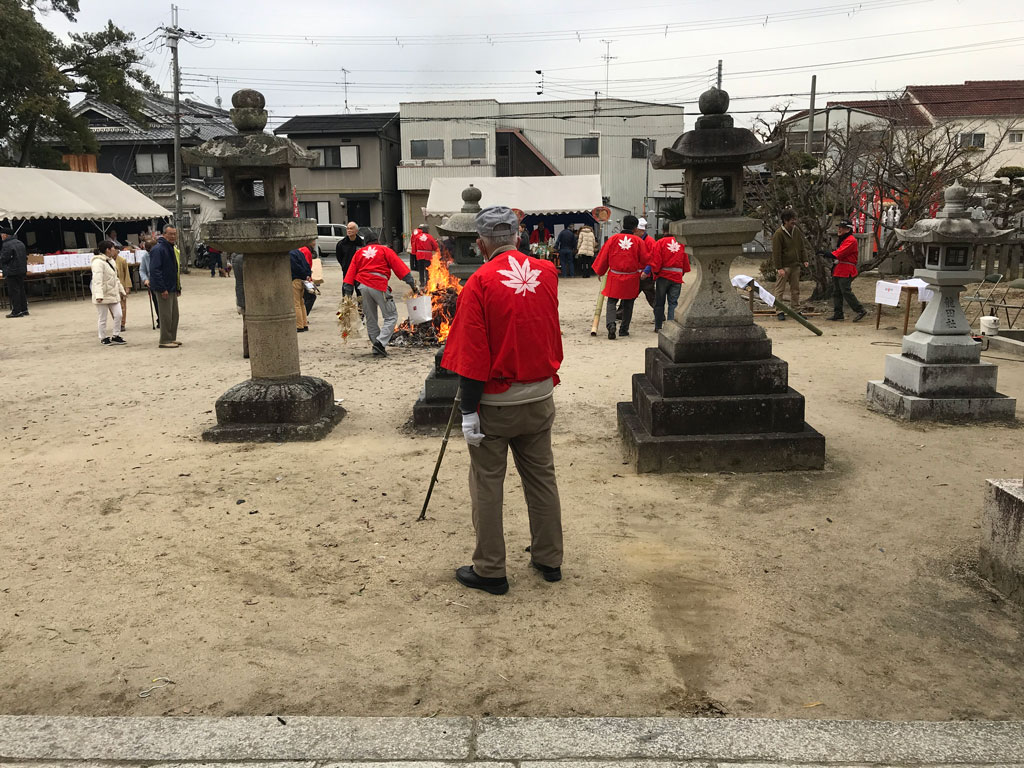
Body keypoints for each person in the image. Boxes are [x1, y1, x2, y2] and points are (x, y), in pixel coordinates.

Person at [441, 205, 564, 596]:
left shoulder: (479, 282)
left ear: (479, 244)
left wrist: (467, 412)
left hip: (495, 402)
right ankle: (549, 557)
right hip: (540, 393)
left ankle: (491, 569)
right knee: (542, 478)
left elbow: (473, 354)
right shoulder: (547, 274)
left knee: (487, 483)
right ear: (518, 235)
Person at [342, 231, 417, 356]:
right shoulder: (385, 250)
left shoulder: (359, 253)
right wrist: (412, 284)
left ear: (365, 242)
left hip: (363, 286)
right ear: (377, 240)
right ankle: (380, 343)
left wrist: (347, 294)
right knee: (391, 316)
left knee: (370, 317)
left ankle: (376, 344)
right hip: (379, 284)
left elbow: (350, 273)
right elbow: (400, 267)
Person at [593, 214, 646, 339]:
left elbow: (604, 256)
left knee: (611, 301)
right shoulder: (638, 241)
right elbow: (645, 259)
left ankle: (611, 325)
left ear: (623, 224)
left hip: (615, 276)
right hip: (631, 277)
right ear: (635, 228)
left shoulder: (613, 239)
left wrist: (600, 271)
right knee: (628, 303)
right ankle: (624, 329)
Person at [645, 222, 690, 332]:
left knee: (659, 302)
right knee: (673, 302)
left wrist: (655, 273)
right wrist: (681, 273)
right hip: (677, 276)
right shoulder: (681, 244)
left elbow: (656, 261)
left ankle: (658, 326)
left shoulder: (659, 243)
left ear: (662, 230)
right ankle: (671, 326)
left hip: (663, 276)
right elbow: (685, 262)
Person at [771, 209, 811, 320]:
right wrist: (779, 267)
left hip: (795, 265)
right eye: (792, 219)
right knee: (780, 289)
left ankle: (796, 309)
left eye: (795, 219)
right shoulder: (778, 234)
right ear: (785, 220)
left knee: (795, 289)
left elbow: (801, 246)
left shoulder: (796, 231)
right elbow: (776, 252)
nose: (794, 221)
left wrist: (804, 259)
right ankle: (779, 310)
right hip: (784, 266)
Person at [828, 219, 867, 322]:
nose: (839, 229)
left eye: (842, 227)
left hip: (846, 269)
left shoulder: (850, 240)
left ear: (847, 229)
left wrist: (828, 254)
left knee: (845, 290)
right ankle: (838, 313)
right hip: (839, 268)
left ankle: (860, 310)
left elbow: (840, 253)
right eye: (839, 227)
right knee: (837, 291)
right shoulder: (844, 239)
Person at [149, 225, 181, 348]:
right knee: (165, 315)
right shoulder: (158, 249)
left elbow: (175, 269)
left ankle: (172, 337)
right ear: (164, 234)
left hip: (172, 286)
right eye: (170, 234)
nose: (173, 236)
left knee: (174, 315)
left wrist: (178, 286)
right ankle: (164, 339)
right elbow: (155, 270)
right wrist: (162, 288)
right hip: (164, 287)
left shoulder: (171, 248)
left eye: (174, 234)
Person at [90, 240, 127, 346]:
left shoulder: (110, 261)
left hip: (112, 292)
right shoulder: (98, 262)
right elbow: (97, 280)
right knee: (103, 317)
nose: (114, 250)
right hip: (103, 294)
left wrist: (122, 291)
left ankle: (116, 335)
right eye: (113, 248)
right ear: (107, 250)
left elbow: (115, 278)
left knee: (118, 314)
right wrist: (99, 295)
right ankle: (103, 337)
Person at [1, 227, 29, 318]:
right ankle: (24, 309)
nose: (1, 236)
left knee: (14, 291)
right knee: (21, 290)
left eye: (1, 234)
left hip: (12, 270)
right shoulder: (20, 243)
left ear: (5, 235)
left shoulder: (7, 245)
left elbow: (4, 258)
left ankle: (16, 311)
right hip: (21, 269)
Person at [288, 240, 313, 332]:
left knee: (296, 304)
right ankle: (304, 323)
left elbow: (295, 267)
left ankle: (299, 325)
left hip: (295, 279)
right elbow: (307, 265)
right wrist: (307, 275)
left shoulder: (290, 254)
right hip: (303, 280)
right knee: (301, 302)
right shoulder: (299, 252)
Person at [137, 232, 159, 329]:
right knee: (156, 303)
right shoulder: (146, 256)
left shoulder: (160, 255)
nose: (149, 252)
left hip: (161, 282)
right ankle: (160, 318)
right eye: (147, 250)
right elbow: (142, 270)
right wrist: (145, 279)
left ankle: (164, 319)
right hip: (152, 283)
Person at [296, 238, 319, 316]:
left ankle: (303, 317)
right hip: (305, 278)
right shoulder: (306, 250)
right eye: (313, 241)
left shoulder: (303, 249)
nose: (315, 243)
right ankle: (303, 316)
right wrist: (307, 277)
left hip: (303, 277)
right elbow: (305, 265)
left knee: (305, 298)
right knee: (310, 297)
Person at [232, 253, 248, 359]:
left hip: (242, 295)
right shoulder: (242, 258)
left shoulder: (236, 258)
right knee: (249, 324)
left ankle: (247, 350)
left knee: (246, 323)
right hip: (247, 295)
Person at [114, 246, 131, 332]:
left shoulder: (122, 261)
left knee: (123, 306)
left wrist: (127, 287)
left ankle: (122, 323)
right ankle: (117, 322)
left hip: (121, 284)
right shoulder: (107, 261)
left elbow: (127, 275)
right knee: (114, 306)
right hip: (112, 286)